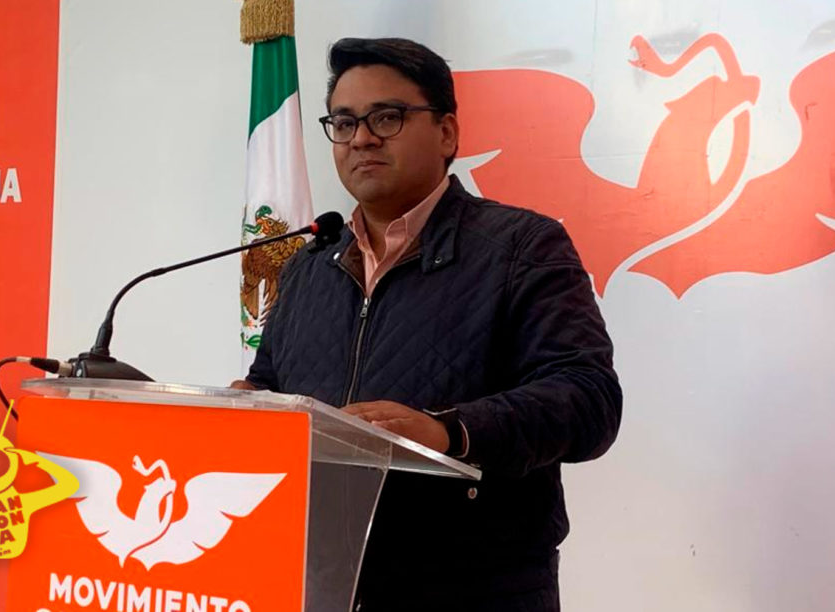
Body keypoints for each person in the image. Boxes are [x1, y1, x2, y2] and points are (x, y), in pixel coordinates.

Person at [235, 37, 621, 612]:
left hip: (476, 585)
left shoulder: (522, 246)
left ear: (447, 133)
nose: (361, 138)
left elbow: (590, 401)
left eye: (386, 117)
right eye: (344, 122)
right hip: (320, 579)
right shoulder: (309, 264)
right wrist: (246, 405)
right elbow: (270, 384)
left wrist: (449, 432)